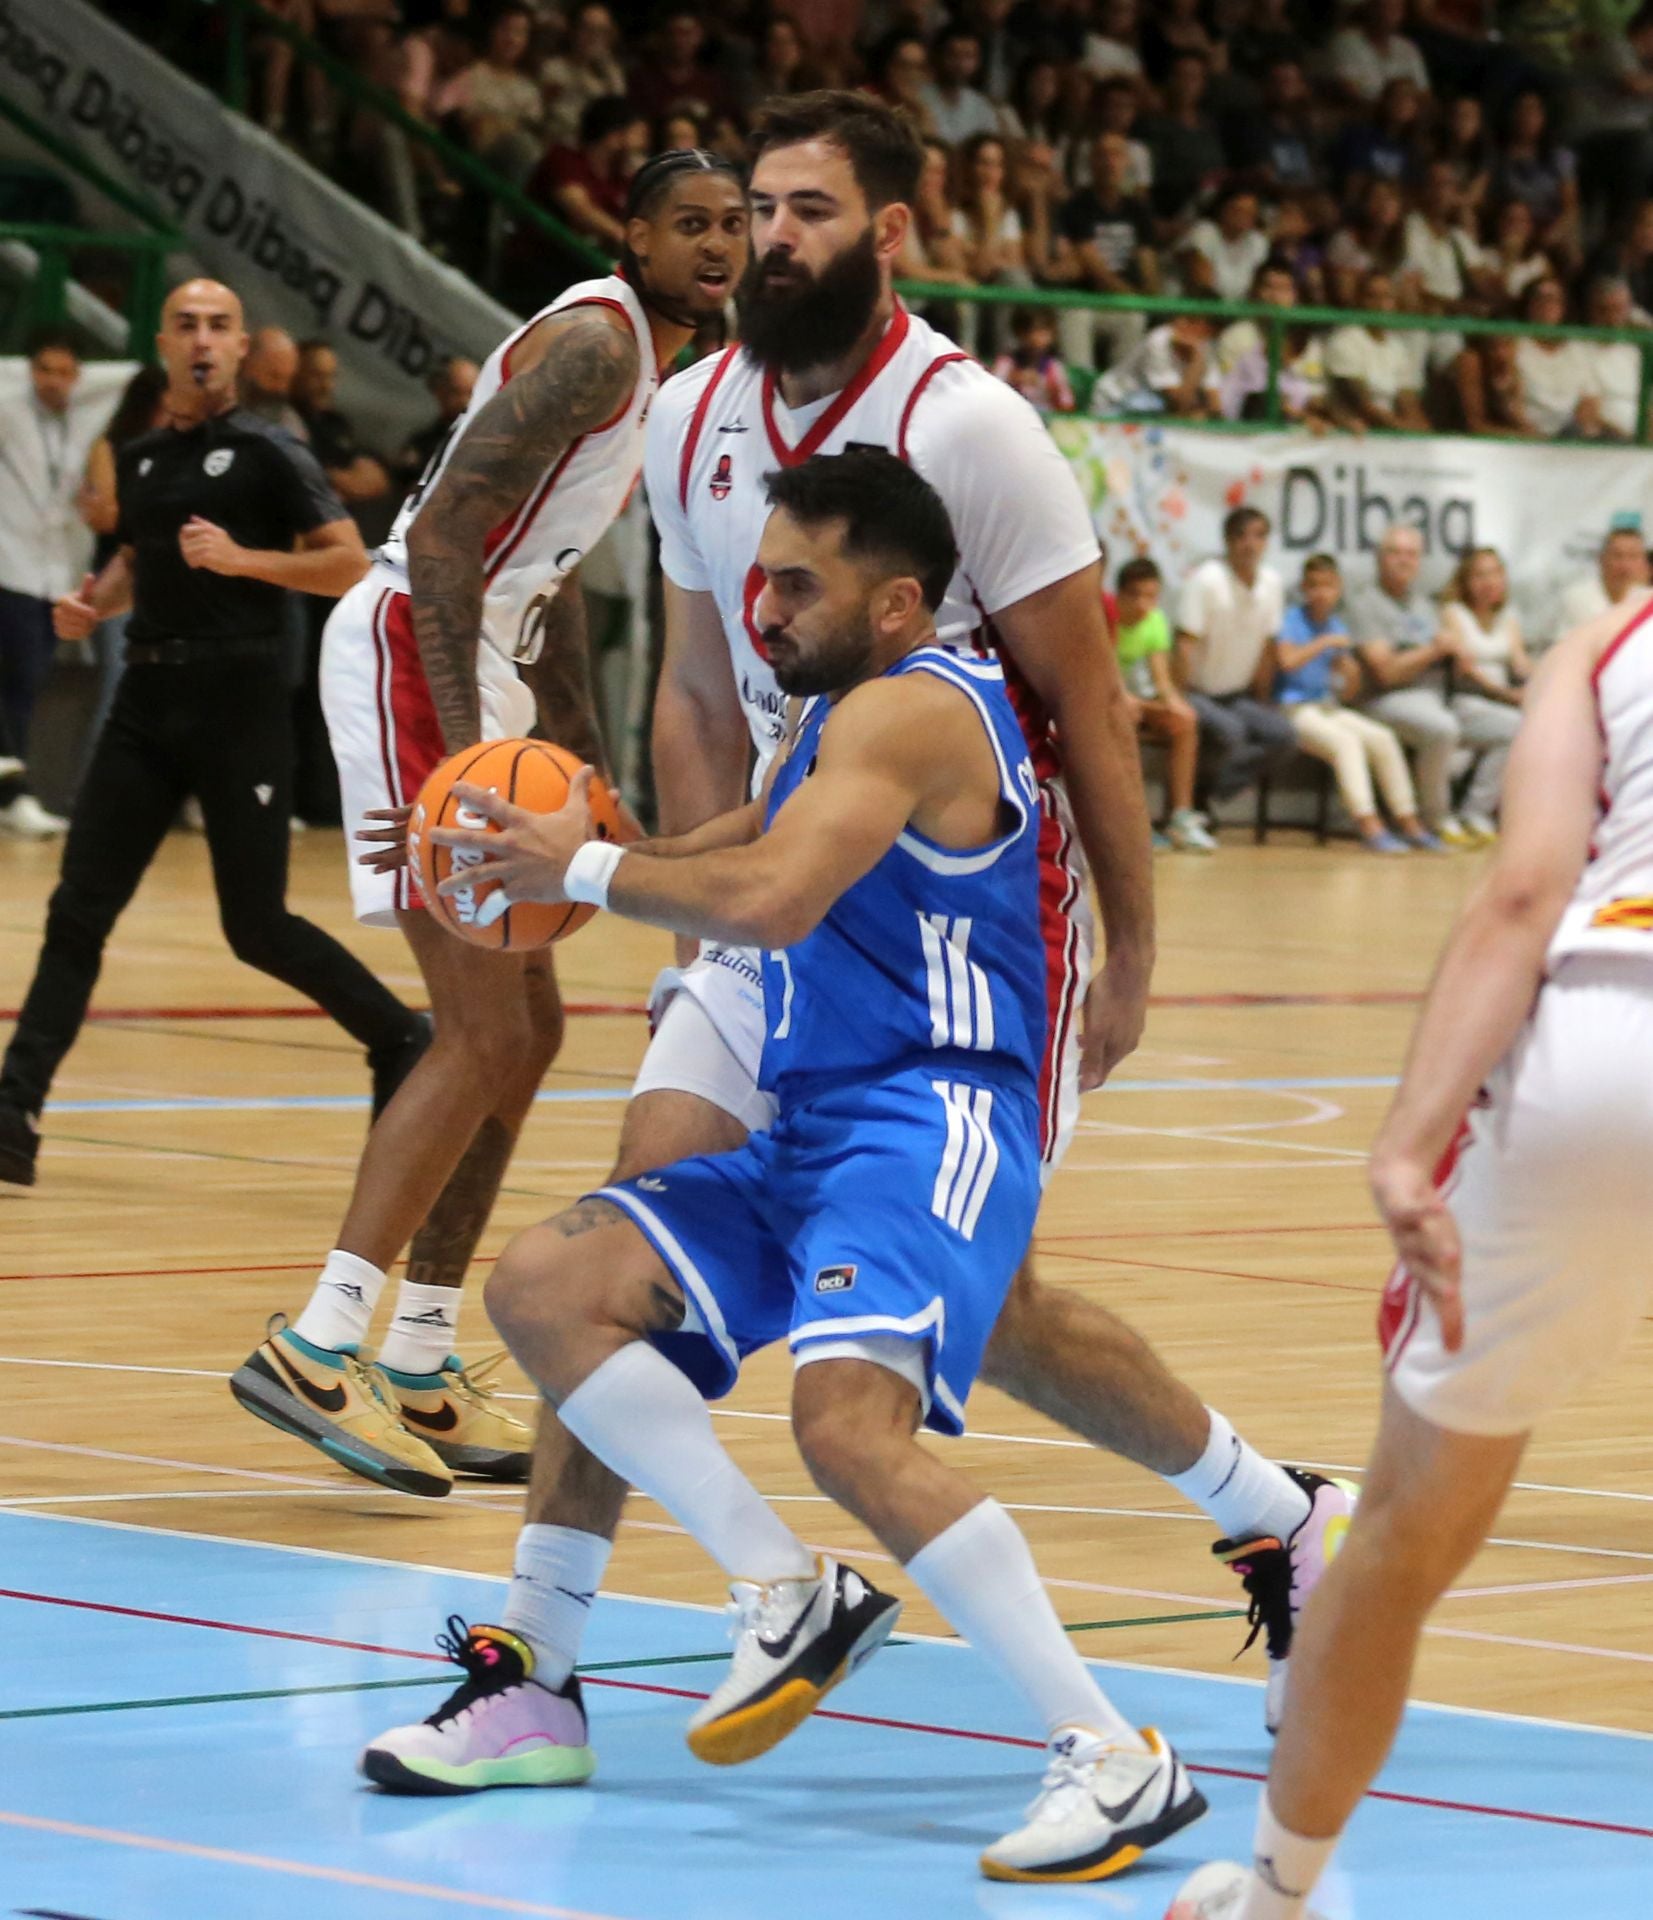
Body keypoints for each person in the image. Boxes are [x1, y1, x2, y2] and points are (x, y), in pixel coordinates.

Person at [386, 90, 1352, 1796]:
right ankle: (537, 1667)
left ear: (886, 231)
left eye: (810, 211)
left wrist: (1127, 959)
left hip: (965, 931)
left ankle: (1269, 1518)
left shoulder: (966, 427)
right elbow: (700, 691)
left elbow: (1091, 710)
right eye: (755, 208)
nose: (772, 238)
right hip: (770, 887)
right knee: (612, 1249)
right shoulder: (686, 419)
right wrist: (697, 925)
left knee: (978, 1303)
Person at [364, 451, 1211, 1884]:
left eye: (795, 583)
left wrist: (576, 880)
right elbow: (734, 837)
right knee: (550, 1286)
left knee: (848, 1428)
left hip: (932, 1114)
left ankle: (1115, 1759)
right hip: (823, 1121)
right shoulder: (840, 724)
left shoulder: (916, 712)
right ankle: (785, 1588)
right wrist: (529, 842)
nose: (762, 607)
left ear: (895, 603)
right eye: (757, 576)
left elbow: (763, 898)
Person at [229, 155, 752, 1497]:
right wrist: (467, 747)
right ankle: (316, 1339)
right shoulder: (595, 343)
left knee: (531, 1030)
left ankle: (416, 1353)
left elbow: (546, 574)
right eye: (690, 223)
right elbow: (453, 534)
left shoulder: (640, 368)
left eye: (734, 225)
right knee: (474, 1025)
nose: (720, 244)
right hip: (420, 643)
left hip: (481, 656)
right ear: (630, 237)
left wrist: (573, 752)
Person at [1166, 593, 1653, 1920]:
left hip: (1615, 1048)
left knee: (1399, 1540)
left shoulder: (1609, 644)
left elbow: (1519, 892)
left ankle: (1276, 1894)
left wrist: (1404, 1144)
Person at [0, 279, 427, 1189]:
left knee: (256, 925)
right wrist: (93, 603)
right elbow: (136, 555)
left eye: (219, 326)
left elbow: (349, 563)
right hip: (146, 705)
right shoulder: (146, 454)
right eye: (187, 325)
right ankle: (13, 1110)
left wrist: (243, 562)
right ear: (163, 344)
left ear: (238, 349)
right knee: (77, 911)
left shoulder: (272, 453)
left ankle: (397, 1036)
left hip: (239, 705)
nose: (202, 339)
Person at [1275, 554, 1440, 854]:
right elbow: (1286, 662)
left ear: (1338, 589)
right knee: (1346, 743)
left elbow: (1349, 693)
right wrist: (1323, 643)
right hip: (1294, 709)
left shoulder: (1337, 624)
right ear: (1303, 588)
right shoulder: (1293, 620)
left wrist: (1349, 672)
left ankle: (1409, 821)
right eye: (1313, 586)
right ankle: (1368, 824)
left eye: (1328, 586)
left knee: (1382, 738)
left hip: (1328, 706)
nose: (1321, 593)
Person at [0, 328, 92, 838]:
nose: (53, 381)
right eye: (43, 370)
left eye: (63, 372)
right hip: (8, 564)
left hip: (51, 573)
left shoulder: (77, 424)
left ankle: (12, 792)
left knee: (28, 687)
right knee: (13, 682)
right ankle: (16, 793)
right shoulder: (11, 412)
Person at [1175, 507, 1297, 804]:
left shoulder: (1272, 583)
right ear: (1227, 541)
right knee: (1233, 732)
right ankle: (1195, 800)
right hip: (1196, 692)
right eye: (1241, 536)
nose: (1250, 544)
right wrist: (1178, 699)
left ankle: (1213, 792)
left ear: (1267, 542)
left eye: (1258, 536)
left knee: (1283, 735)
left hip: (1237, 696)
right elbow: (1183, 645)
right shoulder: (1206, 580)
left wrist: (1263, 698)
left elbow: (1269, 648)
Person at [1114, 555, 1212, 852]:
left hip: (1142, 704)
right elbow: (1113, 689)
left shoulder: (1155, 621)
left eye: (1151, 596)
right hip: (1113, 705)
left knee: (1185, 721)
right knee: (1125, 717)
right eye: (1135, 595)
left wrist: (1173, 703)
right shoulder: (1106, 620)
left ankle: (1180, 817)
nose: (1144, 604)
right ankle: (1131, 822)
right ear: (1119, 594)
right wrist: (1152, 706)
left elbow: (1162, 680)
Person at [1439, 545, 1529, 839]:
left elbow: (1521, 664)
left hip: (1501, 704)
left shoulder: (1509, 619)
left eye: (1494, 574)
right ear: (1465, 582)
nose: (1488, 582)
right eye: (1479, 575)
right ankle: (1475, 811)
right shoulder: (1454, 614)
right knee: (1516, 729)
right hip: (1467, 702)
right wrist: (1506, 695)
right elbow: (1467, 670)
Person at [1324, 270, 1429, 432]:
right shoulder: (1344, 340)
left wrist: (1422, 430)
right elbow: (1362, 404)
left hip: (1393, 432)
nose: (1381, 304)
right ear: (1360, 301)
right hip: (1356, 432)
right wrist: (1404, 428)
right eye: (1373, 297)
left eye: (1387, 297)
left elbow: (1408, 400)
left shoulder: (1398, 347)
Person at [391, 354, 479, 501]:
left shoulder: (480, 440)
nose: (466, 402)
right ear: (441, 392)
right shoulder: (423, 438)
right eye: (458, 392)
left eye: (472, 393)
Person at [1555, 523, 1650, 633]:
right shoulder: (1576, 598)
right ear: (1602, 559)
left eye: (1633, 556)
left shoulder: (1647, 601)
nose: (1625, 565)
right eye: (1618, 555)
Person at [990, 306, 1075, 412]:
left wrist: (1049, 388)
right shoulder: (1006, 363)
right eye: (1030, 331)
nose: (1036, 338)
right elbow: (991, 394)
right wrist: (1014, 379)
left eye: (1043, 332)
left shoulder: (1054, 368)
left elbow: (1067, 404)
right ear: (1019, 333)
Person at [239, 326, 308, 439]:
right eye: (274, 376)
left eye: (287, 380)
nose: (281, 388)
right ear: (247, 362)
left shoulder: (289, 429)